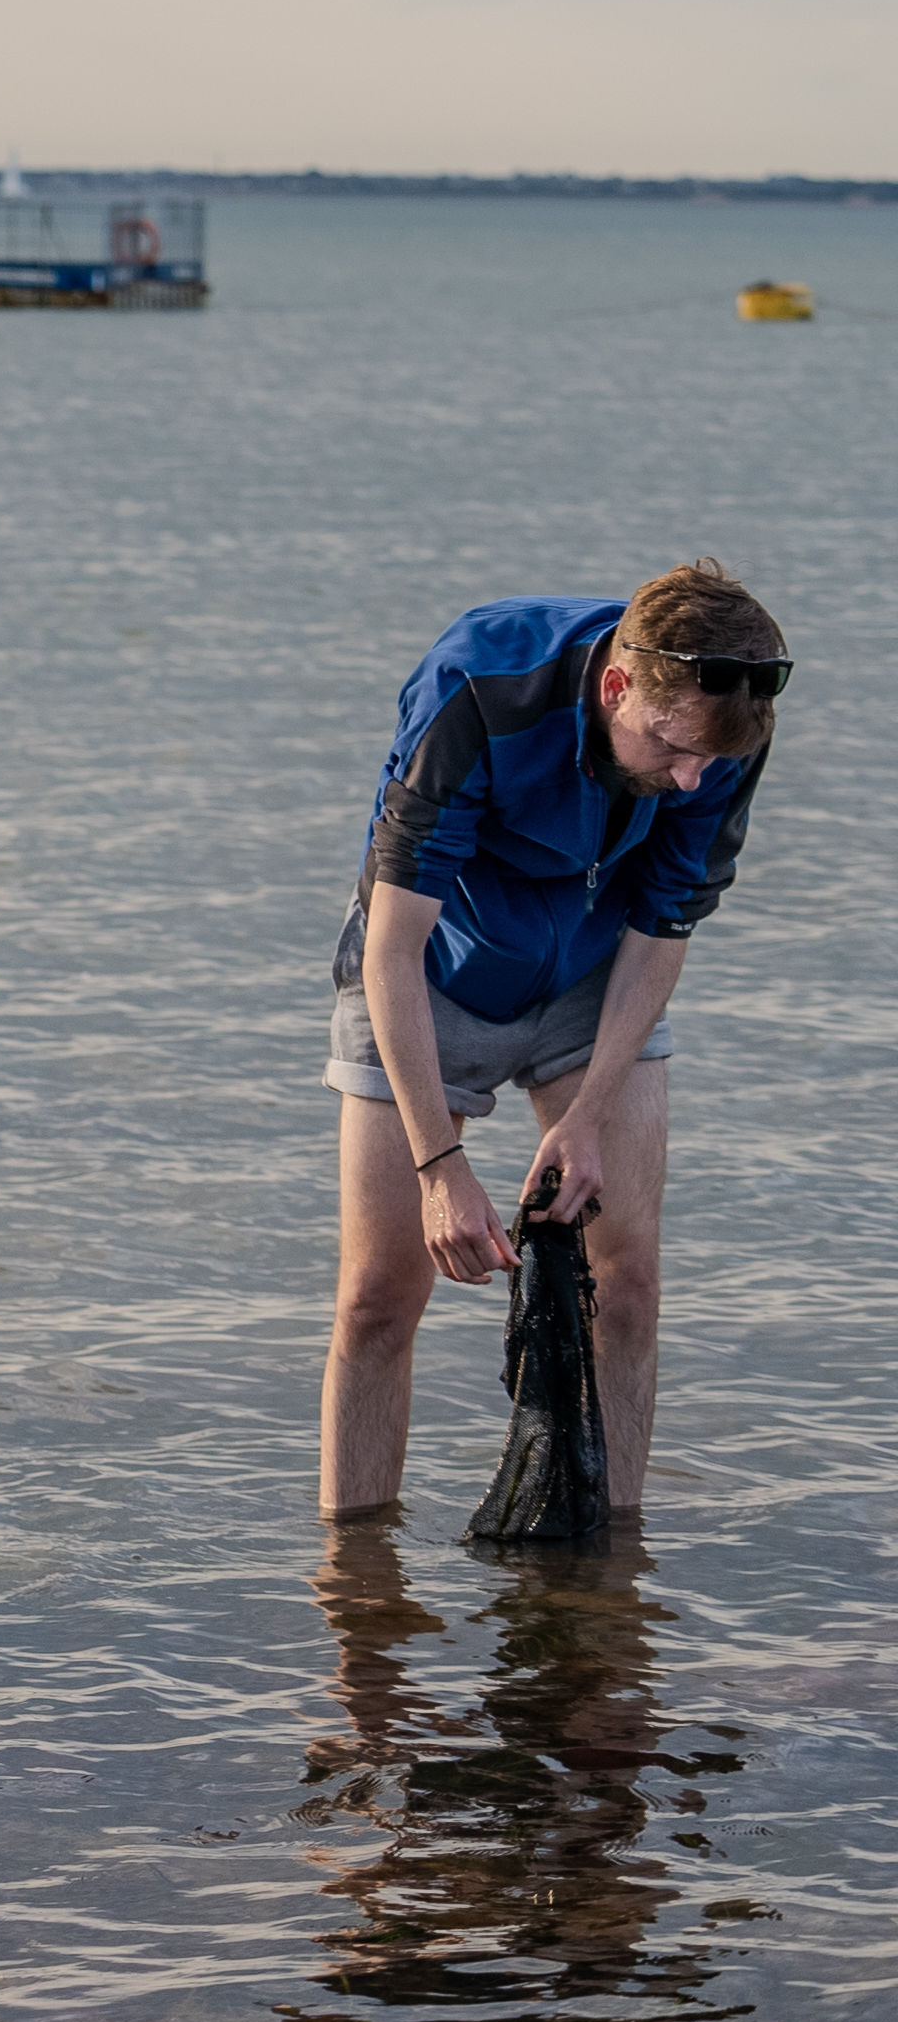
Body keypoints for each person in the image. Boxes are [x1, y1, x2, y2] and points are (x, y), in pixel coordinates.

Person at [319, 562, 786, 1522]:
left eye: (710, 762)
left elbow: (664, 928)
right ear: (618, 686)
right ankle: (359, 1596)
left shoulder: (722, 723)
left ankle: (608, 1572)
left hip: (594, 974)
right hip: (434, 971)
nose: (690, 779)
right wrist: (439, 1163)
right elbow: (394, 944)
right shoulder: (478, 684)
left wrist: (586, 1111)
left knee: (630, 1284)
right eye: (670, 748)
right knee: (378, 1295)